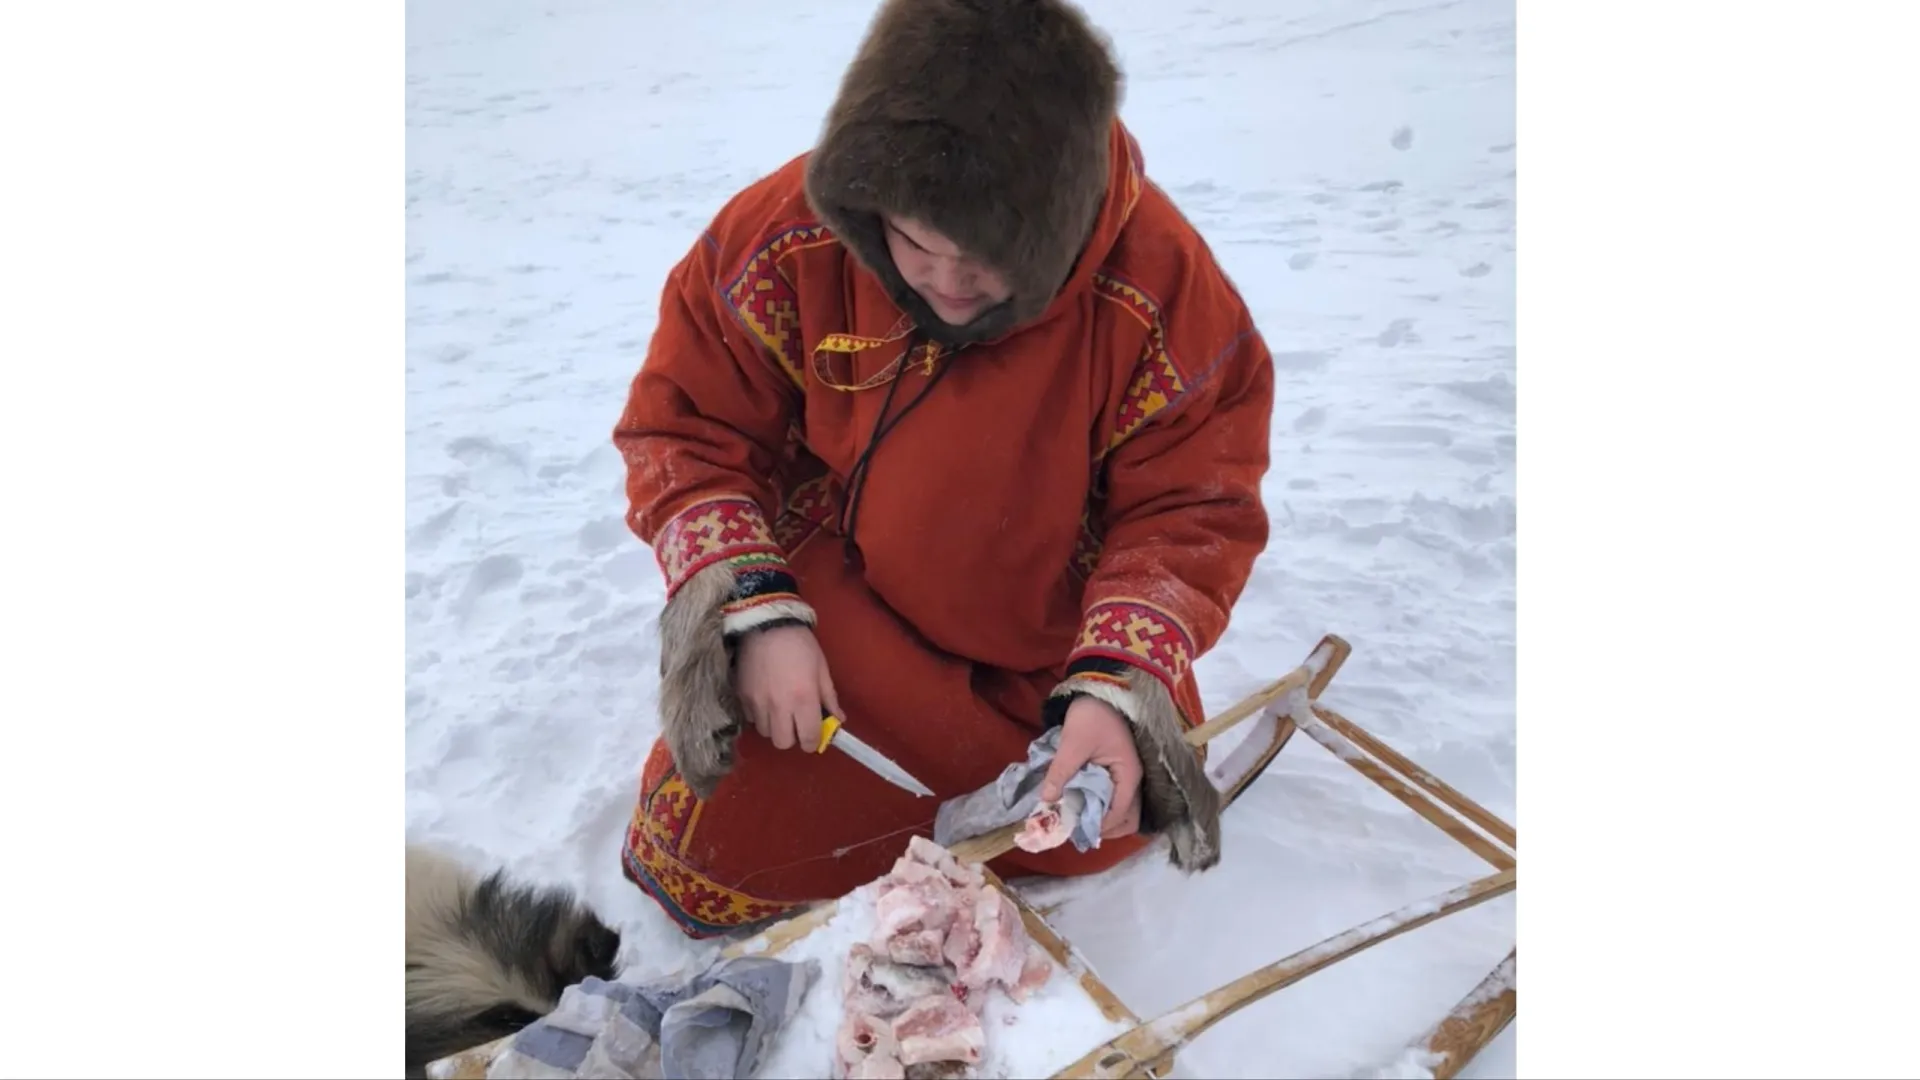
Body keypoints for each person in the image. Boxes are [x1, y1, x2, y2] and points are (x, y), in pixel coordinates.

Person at [610, 0, 1276, 940]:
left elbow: (1190, 511)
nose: (946, 283)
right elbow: (686, 429)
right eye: (915, 242)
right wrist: (753, 612)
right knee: (719, 845)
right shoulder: (791, 234)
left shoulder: (1162, 289)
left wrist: (1116, 684)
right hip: (841, 615)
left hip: (1043, 651)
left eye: (991, 260)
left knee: (1076, 825)